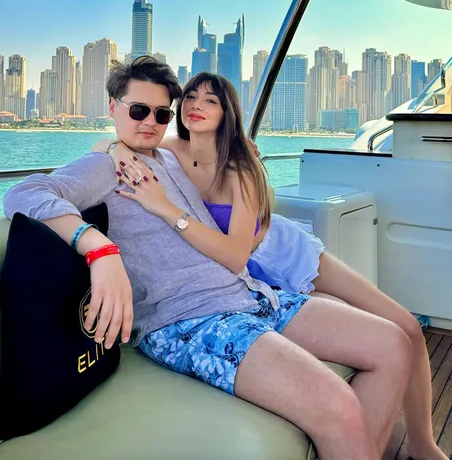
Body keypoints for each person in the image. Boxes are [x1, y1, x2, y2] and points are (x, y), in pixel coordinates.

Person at [4, 56, 412, 460]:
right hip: (190, 320)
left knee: (392, 345)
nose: (150, 122)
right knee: (338, 407)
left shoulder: (169, 158)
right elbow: (24, 194)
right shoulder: (104, 168)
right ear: (113, 107)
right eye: (138, 110)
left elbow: (215, 165)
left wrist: (120, 146)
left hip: (249, 295)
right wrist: (98, 247)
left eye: (161, 114)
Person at [101, 70, 445, 460]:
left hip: (278, 253)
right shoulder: (170, 153)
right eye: (191, 97)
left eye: (211, 100)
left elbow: (238, 247)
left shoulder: (239, 163)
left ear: (227, 112)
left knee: (404, 328)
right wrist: (113, 150)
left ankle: (421, 443)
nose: (196, 105)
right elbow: (120, 141)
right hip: (241, 274)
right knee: (349, 335)